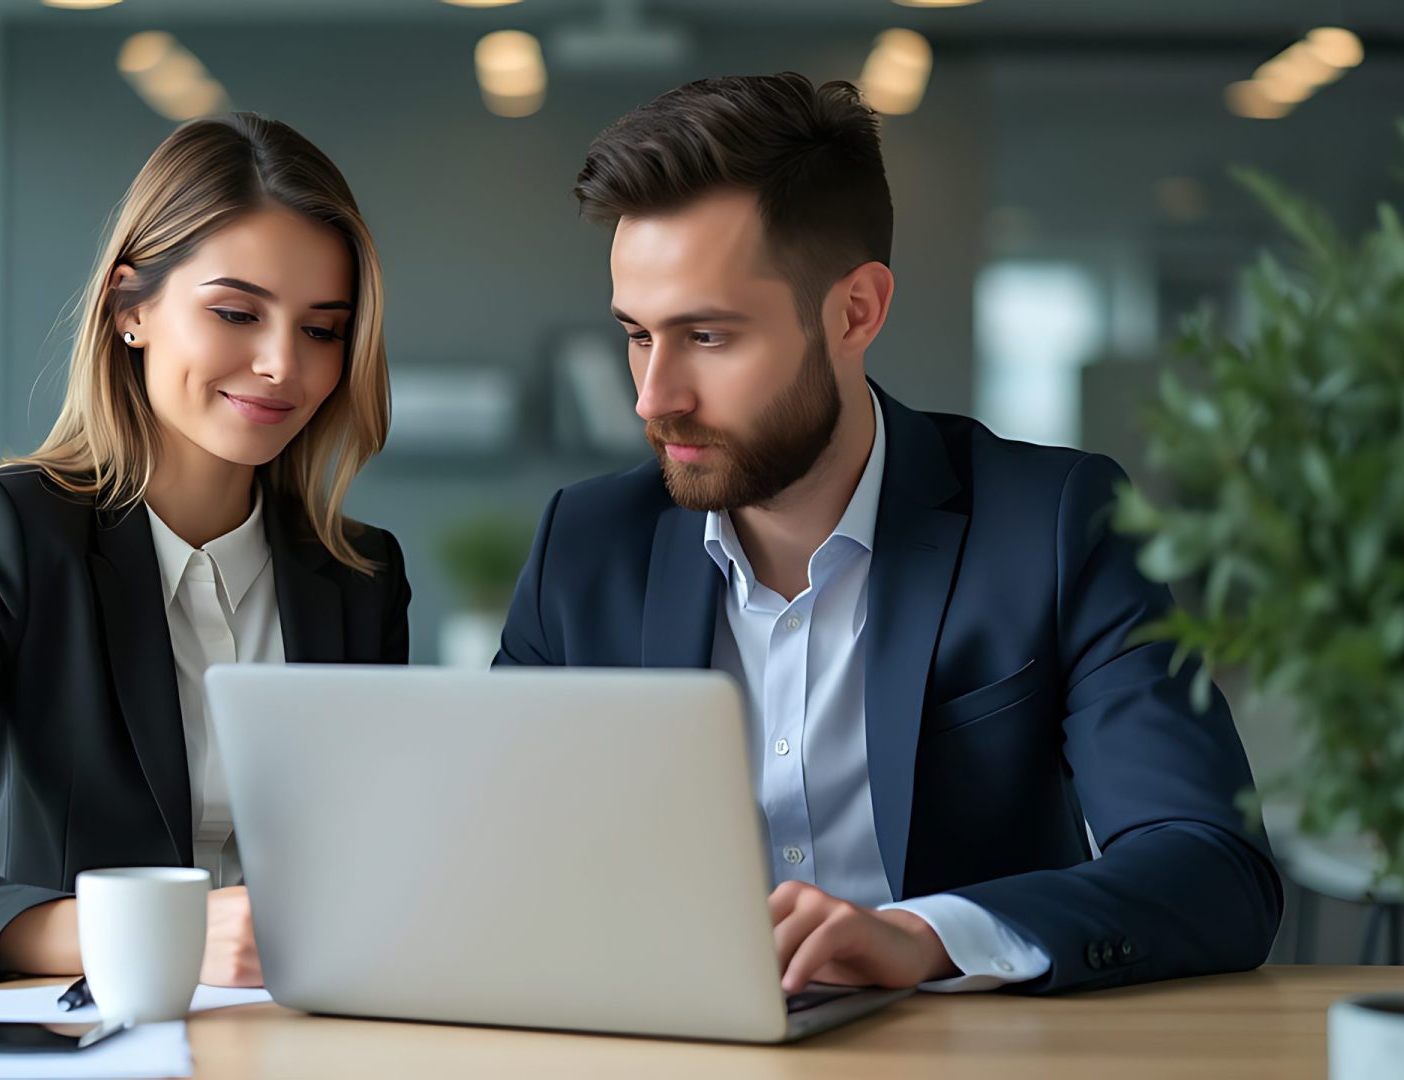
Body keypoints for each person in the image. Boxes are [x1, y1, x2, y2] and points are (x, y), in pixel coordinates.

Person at [495, 74, 1281, 995]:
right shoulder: (585, 548)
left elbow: (1211, 867)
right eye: (637, 334)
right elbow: (494, 856)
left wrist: (926, 936)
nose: (652, 396)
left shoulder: (1055, 525)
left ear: (856, 311)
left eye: (706, 337)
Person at [0, 113, 408, 987]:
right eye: (237, 312)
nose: (285, 364)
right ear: (131, 308)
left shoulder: (362, 575)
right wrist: (147, 934)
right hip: (75, 1034)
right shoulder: (3, 535)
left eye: (323, 328)